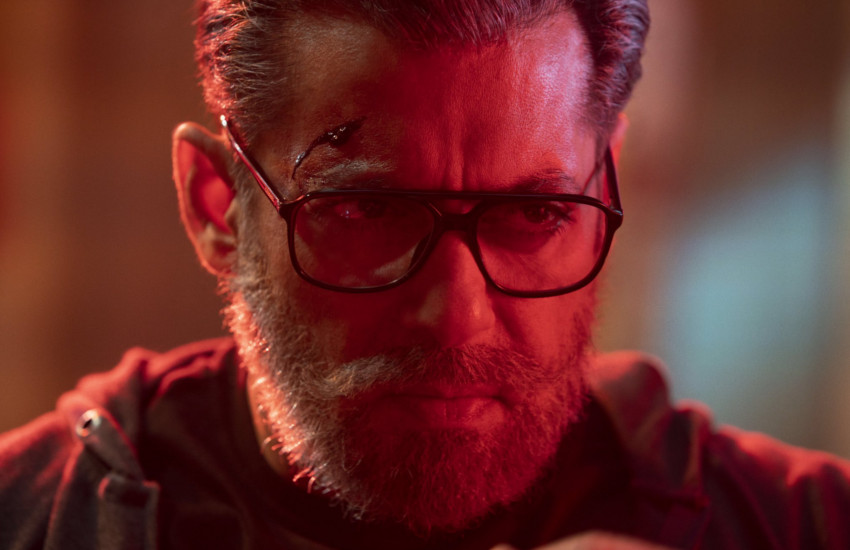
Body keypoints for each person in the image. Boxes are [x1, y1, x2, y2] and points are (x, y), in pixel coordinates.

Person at [1, 1, 849, 549]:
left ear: (605, 190)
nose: (457, 316)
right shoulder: (28, 519)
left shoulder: (800, 524)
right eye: (369, 211)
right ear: (217, 207)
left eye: (535, 214)